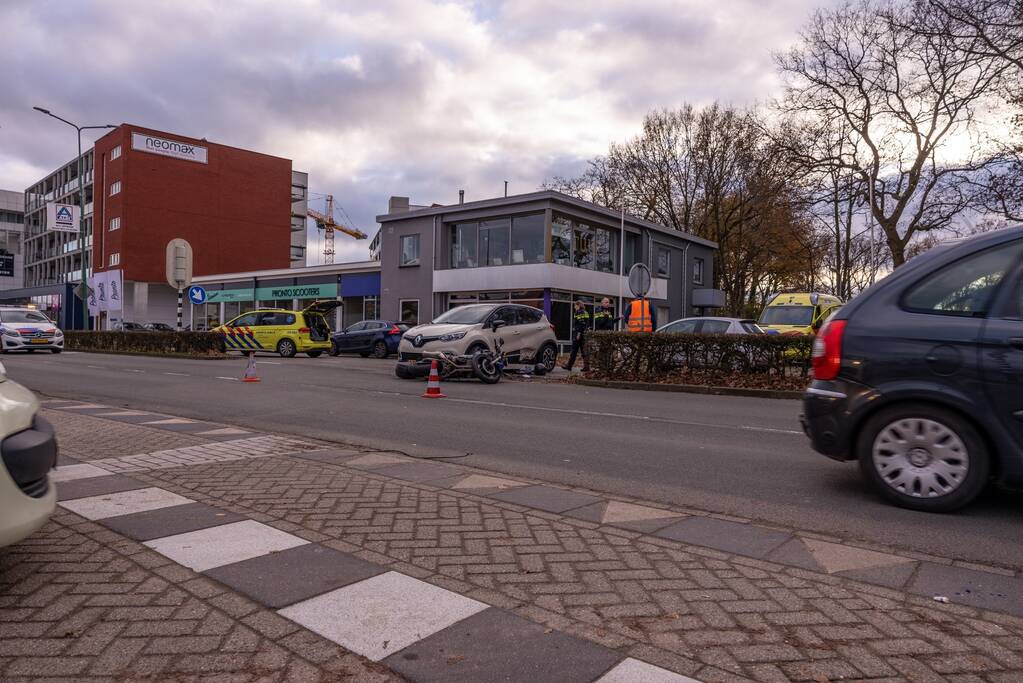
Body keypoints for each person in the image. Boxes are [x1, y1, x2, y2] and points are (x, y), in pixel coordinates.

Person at [562, 300, 591, 371]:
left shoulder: (579, 312)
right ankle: (586, 367)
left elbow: (581, 324)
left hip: (579, 334)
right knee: (584, 351)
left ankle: (569, 366)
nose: (574, 307)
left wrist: (578, 334)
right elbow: (586, 324)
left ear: (578, 305)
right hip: (584, 334)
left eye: (575, 305)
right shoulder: (585, 312)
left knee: (574, 350)